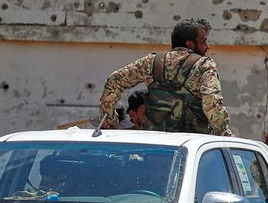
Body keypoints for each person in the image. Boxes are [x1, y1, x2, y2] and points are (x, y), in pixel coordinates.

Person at [97, 18, 230, 134]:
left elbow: (114, 81)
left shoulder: (151, 62)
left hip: (155, 144)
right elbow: (211, 101)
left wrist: (109, 119)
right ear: (190, 44)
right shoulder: (203, 65)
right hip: (192, 144)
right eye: (204, 41)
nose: (208, 47)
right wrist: (223, 133)